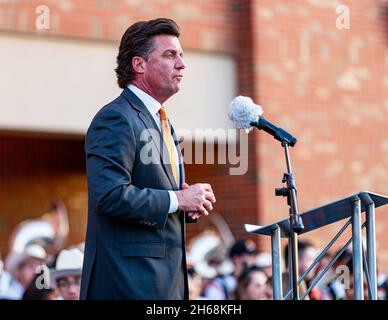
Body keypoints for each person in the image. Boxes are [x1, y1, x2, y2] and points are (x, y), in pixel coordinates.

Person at [80, 18, 216, 300]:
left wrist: (184, 202)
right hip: (128, 284)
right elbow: (109, 195)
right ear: (139, 65)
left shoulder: (162, 121)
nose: (182, 64)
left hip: (165, 284)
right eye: (170, 55)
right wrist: (178, 200)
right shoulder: (116, 118)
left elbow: (155, 194)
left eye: (181, 55)